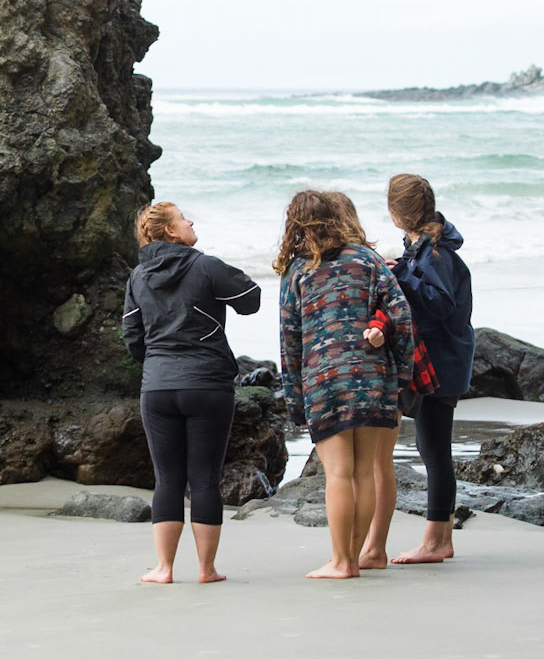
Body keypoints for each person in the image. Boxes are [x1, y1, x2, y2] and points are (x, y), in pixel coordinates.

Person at [121, 199, 261, 585]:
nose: (191, 222)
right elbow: (251, 300)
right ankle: (206, 569)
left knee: (167, 479)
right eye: (183, 219)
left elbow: (131, 335)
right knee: (204, 478)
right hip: (207, 385)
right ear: (170, 230)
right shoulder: (205, 266)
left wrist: (158, 365)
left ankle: (164, 569)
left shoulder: (138, 277)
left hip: (158, 387)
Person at [276, 189, 413, 580]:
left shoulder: (297, 271)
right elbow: (401, 314)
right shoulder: (367, 259)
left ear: (296, 225)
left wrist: (295, 399)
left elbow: (290, 339)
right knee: (364, 472)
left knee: (338, 473)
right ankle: (353, 557)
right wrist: (402, 375)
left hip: (325, 379)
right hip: (373, 377)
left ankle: (342, 562)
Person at [371, 172, 475, 566]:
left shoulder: (435, 253)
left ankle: (435, 542)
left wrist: (399, 276)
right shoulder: (425, 248)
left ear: (397, 214)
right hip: (442, 357)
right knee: (434, 448)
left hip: (441, 360)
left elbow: (439, 303)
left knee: (433, 450)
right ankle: (441, 537)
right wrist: (401, 267)